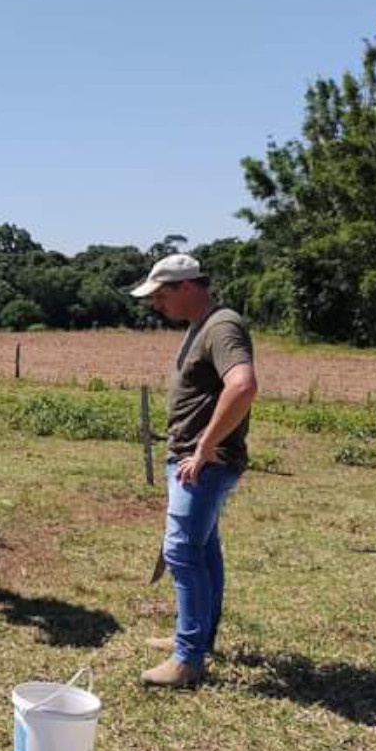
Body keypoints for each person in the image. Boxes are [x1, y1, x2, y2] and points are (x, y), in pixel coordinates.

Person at [131, 254, 258, 687]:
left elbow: (243, 384)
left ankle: (188, 658)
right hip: (192, 462)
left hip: (201, 465)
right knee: (203, 551)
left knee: (182, 553)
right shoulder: (202, 326)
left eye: (161, 296)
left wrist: (205, 447)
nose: (156, 305)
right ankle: (196, 639)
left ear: (187, 287)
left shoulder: (221, 326)